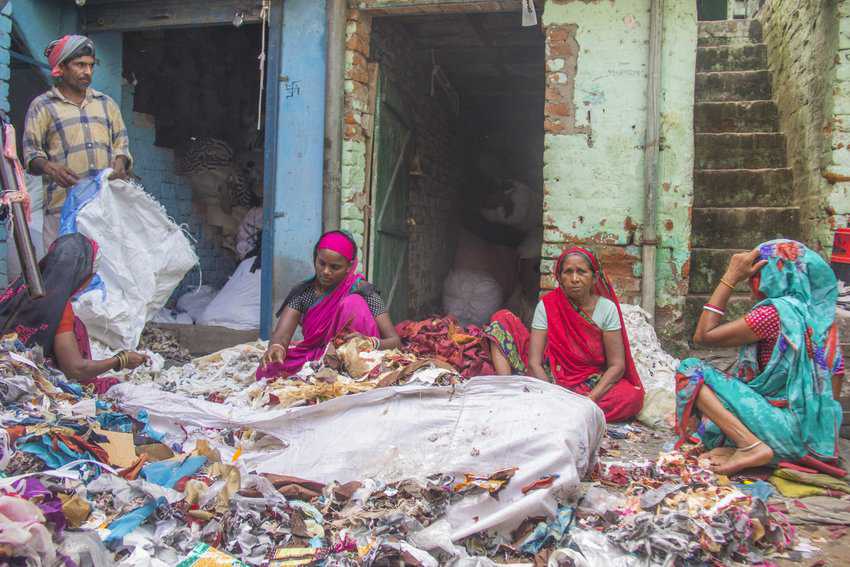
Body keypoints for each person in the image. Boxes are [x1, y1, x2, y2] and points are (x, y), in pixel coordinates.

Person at [675, 240, 844, 476]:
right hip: (817, 445)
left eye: (757, 274)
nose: (752, 281)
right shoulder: (823, 319)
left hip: (783, 434)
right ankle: (758, 449)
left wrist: (730, 276)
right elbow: (832, 391)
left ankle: (750, 446)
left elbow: (704, 335)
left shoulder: (775, 314)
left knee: (690, 370)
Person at [486, 246, 645, 422]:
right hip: (549, 376)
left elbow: (617, 365)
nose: (574, 279)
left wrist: (590, 400)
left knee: (632, 397)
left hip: (588, 382)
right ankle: (507, 392)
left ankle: (563, 410)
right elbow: (534, 362)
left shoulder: (607, 309)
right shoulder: (548, 305)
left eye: (581, 272)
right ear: (559, 278)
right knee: (502, 318)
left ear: (594, 278)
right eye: (568, 272)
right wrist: (551, 395)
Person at [23, 35, 132, 250]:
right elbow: (31, 155)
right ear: (61, 68)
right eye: (80, 65)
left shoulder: (106, 104)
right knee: (64, 276)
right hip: (62, 209)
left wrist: (120, 161)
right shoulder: (43, 106)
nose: (87, 72)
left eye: (91, 66)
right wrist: (50, 168)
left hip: (104, 208)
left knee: (107, 275)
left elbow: (122, 145)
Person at [0, 233, 146, 389]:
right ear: (82, 276)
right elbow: (74, 368)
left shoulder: (18, 287)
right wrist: (120, 360)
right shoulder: (58, 308)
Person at [259, 231, 401, 377]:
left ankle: (352, 371)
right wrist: (277, 347)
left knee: (353, 302)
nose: (326, 271)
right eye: (321, 263)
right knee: (269, 368)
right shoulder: (304, 294)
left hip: (360, 357)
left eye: (334, 267)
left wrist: (369, 342)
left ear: (349, 266)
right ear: (315, 258)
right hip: (320, 356)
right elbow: (282, 334)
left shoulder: (363, 290)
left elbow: (395, 341)